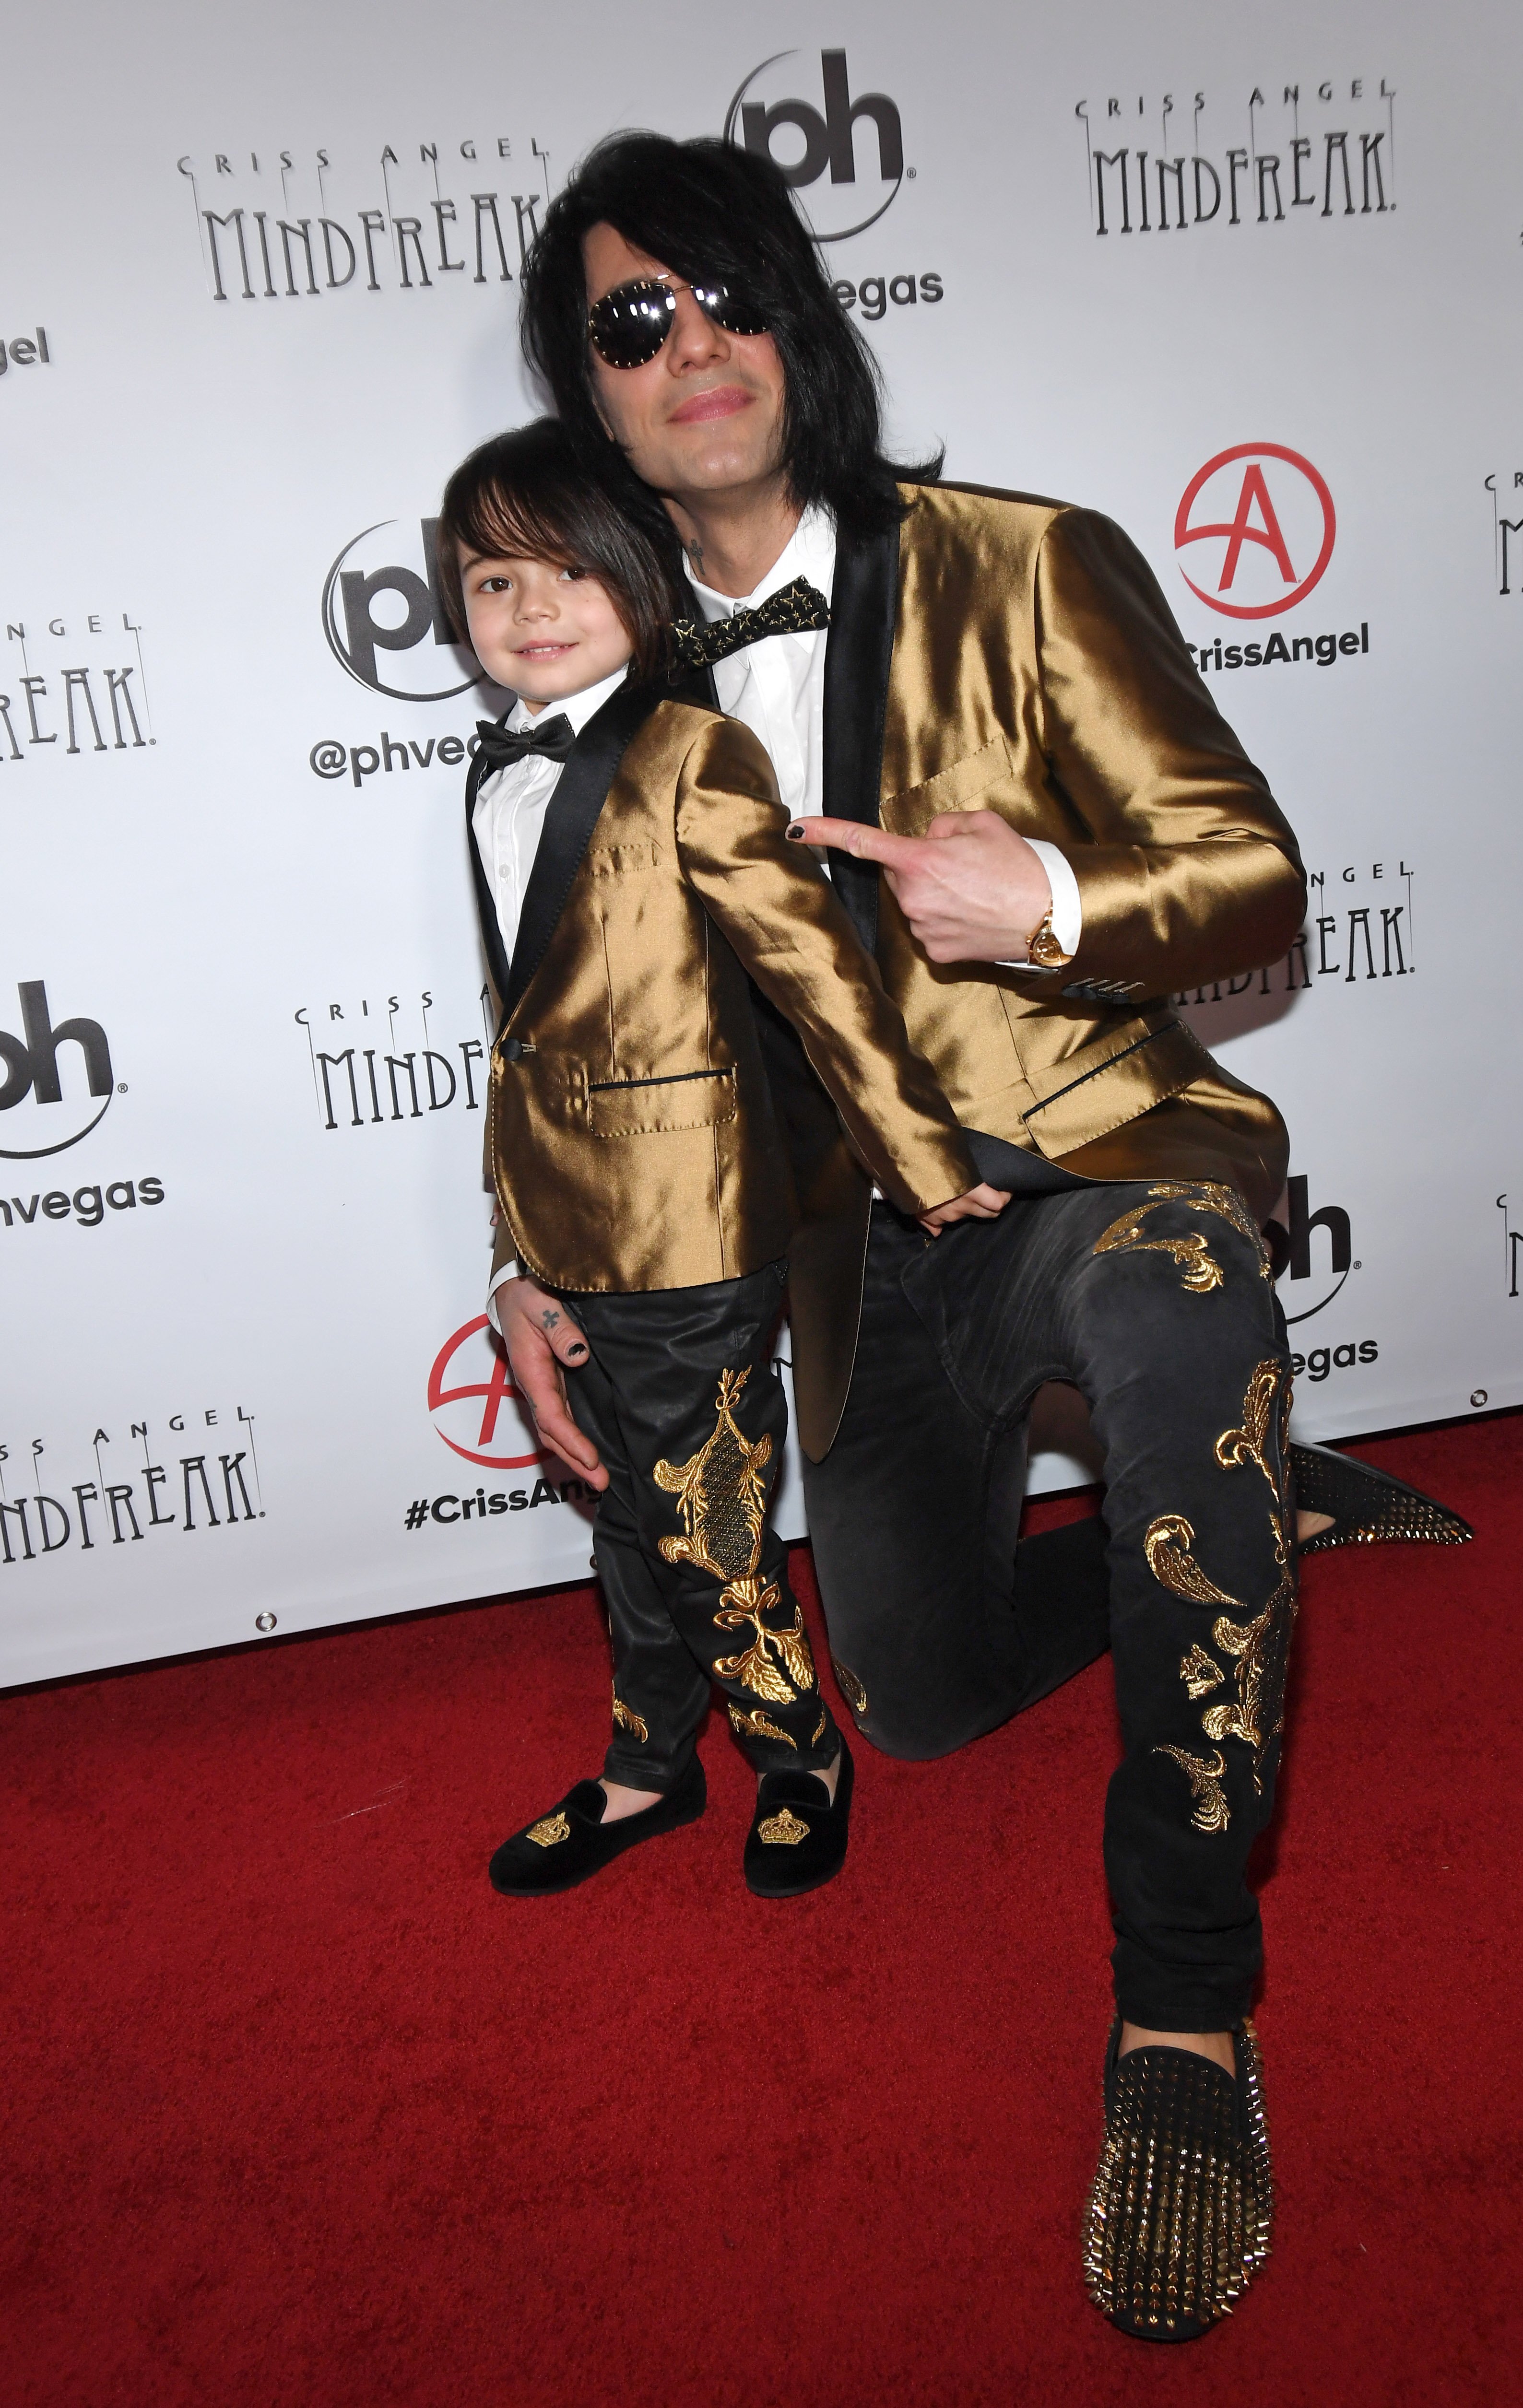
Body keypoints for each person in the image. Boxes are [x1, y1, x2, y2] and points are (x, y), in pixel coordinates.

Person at [497, 132, 1466, 2340]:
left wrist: (1038, 902)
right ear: (589, 390)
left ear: (799, 328)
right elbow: (564, 1020)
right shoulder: (593, 691)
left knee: (1181, 1305)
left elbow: (1254, 882)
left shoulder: (1030, 563)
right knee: (919, 1700)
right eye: (634, 321)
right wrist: (534, 1259)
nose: (695, 347)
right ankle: (1238, 1517)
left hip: (1087, 1166)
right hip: (839, 1257)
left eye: (729, 296)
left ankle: (1189, 2019)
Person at [443, 420, 1005, 1906]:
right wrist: (513, 1256)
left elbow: (819, 973)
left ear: (641, 579)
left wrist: (919, 1157)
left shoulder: (699, 753)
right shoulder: (487, 775)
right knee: (627, 1516)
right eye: (495, 580)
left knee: (706, 1519)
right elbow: (522, 1033)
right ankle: (648, 1763)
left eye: (571, 568)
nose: (535, 607)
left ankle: (799, 1755)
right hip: (566, 1223)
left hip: (693, 1224)